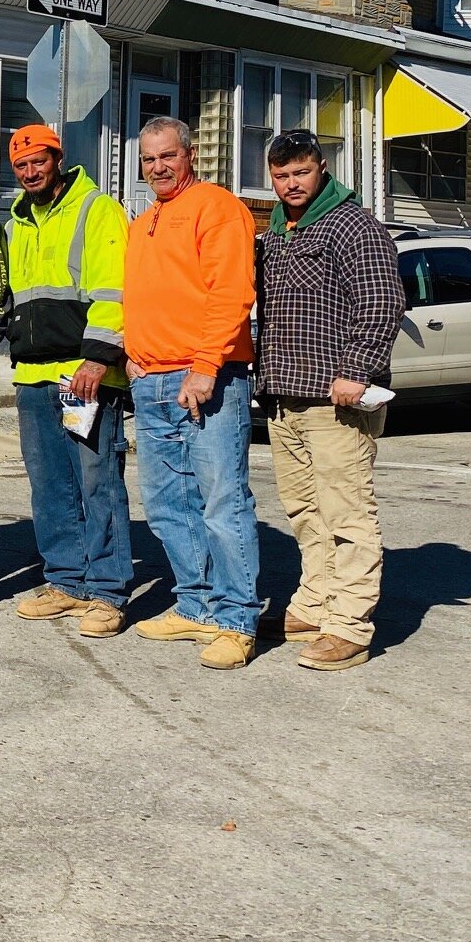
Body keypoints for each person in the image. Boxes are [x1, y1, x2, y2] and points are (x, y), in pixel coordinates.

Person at [255, 129, 405, 672]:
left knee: (347, 513)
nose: (291, 183)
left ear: (321, 167)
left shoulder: (352, 224)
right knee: (304, 511)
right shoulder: (277, 230)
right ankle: (314, 605)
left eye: (300, 172)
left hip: (336, 398)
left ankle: (350, 626)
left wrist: (356, 372)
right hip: (283, 394)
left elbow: (383, 301)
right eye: (280, 174)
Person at [123, 117, 262, 670]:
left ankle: (236, 618)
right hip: (152, 379)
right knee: (166, 506)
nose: (159, 166)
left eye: (168, 156)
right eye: (149, 158)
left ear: (191, 153)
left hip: (207, 379)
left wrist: (205, 365)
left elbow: (232, 292)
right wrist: (134, 356)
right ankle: (196, 603)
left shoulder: (217, 207)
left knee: (222, 503)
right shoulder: (145, 220)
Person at [0, 124, 133, 639]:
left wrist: (96, 360)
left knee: (98, 484)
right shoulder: (15, 223)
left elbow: (115, 290)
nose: (31, 173)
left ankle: (107, 590)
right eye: (22, 166)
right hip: (33, 375)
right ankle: (67, 581)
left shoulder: (97, 209)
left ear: (58, 158)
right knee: (50, 487)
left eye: (39, 162)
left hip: (83, 375)